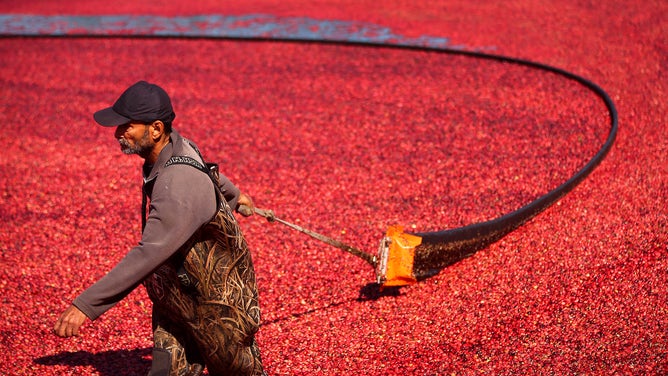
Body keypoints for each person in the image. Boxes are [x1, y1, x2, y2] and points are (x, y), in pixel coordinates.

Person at [54, 81, 265, 376]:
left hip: (220, 308)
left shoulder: (177, 183)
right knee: (166, 370)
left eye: (127, 126)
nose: (117, 133)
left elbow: (148, 253)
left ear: (155, 129)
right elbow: (206, 168)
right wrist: (234, 195)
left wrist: (86, 306)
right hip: (180, 297)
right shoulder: (177, 145)